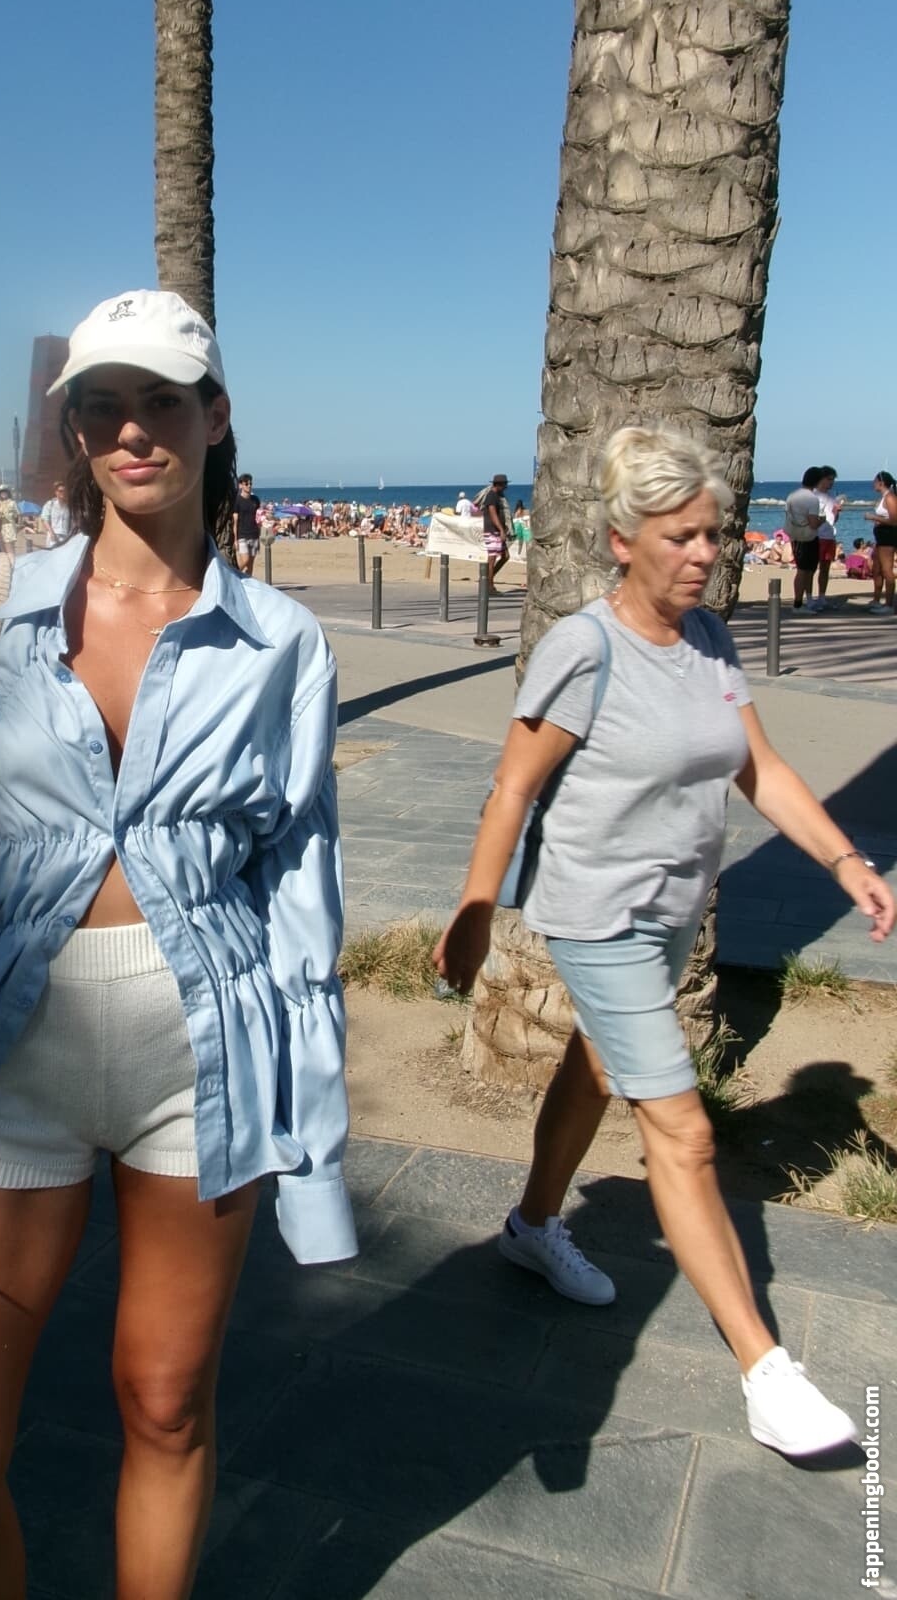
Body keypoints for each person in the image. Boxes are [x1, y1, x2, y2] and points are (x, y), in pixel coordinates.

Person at [0, 289, 353, 1597]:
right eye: (103, 406)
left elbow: (300, 887)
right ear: (72, 430)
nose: (133, 431)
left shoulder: (280, 642)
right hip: (5, 1047)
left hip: (203, 1056)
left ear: (214, 416)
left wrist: (314, 1144)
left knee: (167, 1405)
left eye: (162, 401)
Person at [436, 425, 891, 1458]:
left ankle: (532, 1227)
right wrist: (477, 909)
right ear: (621, 541)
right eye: (680, 536)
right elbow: (513, 785)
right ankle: (766, 1372)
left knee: (599, 1064)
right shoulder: (584, 649)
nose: (704, 553)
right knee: (681, 1133)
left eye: (713, 534)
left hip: (670, 910)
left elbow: (759, 767)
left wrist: (844, 861)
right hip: (597, 914)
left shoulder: (713, 640)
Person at [783, 466, 823, 611]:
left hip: (794, 535)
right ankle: (798, 603)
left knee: (804, 569)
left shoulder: (792, 495)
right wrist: (822, 520)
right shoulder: (812, 499)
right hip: (807, 537)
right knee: (804, 570)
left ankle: (804, 601)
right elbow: (813, 523)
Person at [810, 466, 843, 610]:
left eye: (833, 480)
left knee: (825, 568)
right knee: (810, 569)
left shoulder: (831, 497)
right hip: (817, 536)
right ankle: (809, 597)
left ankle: (822, 597)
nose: (831, 483)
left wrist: (837, 512)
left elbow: (833, 519)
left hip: (829, 536)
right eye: (829, 479)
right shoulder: (813, 495)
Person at [865, 470, 897, 614]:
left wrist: (874, 518)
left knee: (886, 570)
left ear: (881, 483)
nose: (873, 484)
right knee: (876, 569)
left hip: (888, 537)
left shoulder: (890, 497)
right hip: (881, 537)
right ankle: (876, 600)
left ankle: (889, 605)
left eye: (875, 481)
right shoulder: (884, 497)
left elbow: (894, 520)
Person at [474, 473, 513, 589]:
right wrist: (501, 530)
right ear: (499, 485)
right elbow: (493, 514)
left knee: (505, 556)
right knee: (492, 558)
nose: (506, 487)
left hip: (497, 530)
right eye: (505, 485)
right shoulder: (491, 496)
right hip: (492, 531)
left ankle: (486, 579)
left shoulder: (498, 496)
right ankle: (489, 586)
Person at [232, 472, 262, 575]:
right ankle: (232, 574)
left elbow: (258, 517)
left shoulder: (255, 500)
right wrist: (235, 539)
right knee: (245, 560)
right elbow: (235, 521)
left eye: (250, 484)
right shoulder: (237, 501)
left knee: (250, 564)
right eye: (246, 484)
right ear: (240, 485)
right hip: (242, 535)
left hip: (254, 534)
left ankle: (246, 581)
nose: (249, 486)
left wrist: (259, 534)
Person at [39, 479, 72, 549]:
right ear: (56, 492)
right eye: (60, 491)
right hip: (53, 536)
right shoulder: (50, 504)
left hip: (65, 537)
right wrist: (51, 532)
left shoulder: (68, 506)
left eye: (64, 491)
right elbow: (44, 519)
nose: (63, 493)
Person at [0, 484, 22, 556]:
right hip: (1, 527)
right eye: (1, 492)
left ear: (8, 493)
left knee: (10, 547)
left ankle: (12, 560)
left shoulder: (12, 503)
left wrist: (19, 525)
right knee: (3, 548)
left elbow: (19, 514)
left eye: (5, 492)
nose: (3, 494)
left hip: (10, 526)